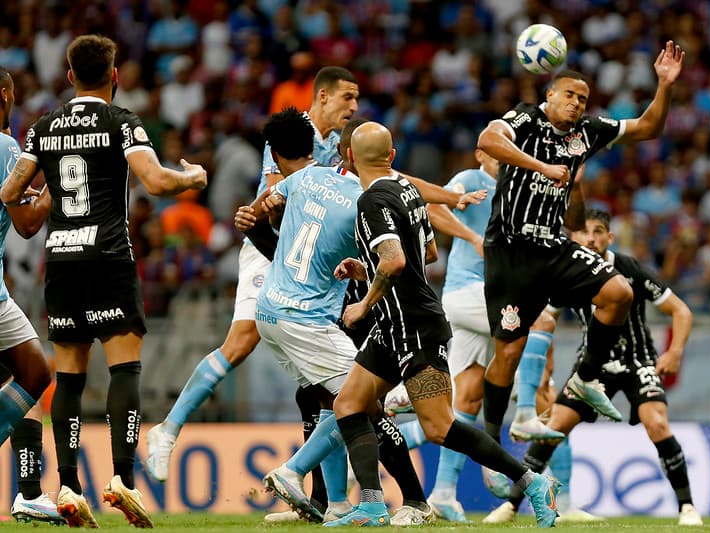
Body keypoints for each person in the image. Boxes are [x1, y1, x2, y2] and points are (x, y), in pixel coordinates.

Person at [146, 65, 483, 522]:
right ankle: (168, 430)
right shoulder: (291, 139)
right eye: (348, 97)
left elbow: (392, 179)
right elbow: (273, 204)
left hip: (321, 270)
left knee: (327, 394)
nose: (354, 107)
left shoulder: (346, 150)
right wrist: (263, 216)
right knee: (248, 343)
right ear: (322, 97)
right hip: (277, 256)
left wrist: (447, 196)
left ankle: (330, 501)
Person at [0, 35, 207, 528]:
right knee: (124, 371)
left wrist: (42, 189)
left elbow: (10, 191)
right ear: (114, 76)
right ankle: (122, 479)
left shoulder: (44, 127)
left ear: (69, 76)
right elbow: (156, 182)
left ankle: (68, 486)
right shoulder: (121, 122)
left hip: (63, 260)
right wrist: (192, 179)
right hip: (110, 257)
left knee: (68, 376)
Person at [325, 121, 560, 528]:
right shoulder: (409, 192)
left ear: (348, 158)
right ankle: (373, 504)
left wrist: (363, 302)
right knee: (349, 405)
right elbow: (428, 253)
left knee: (440, 427)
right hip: (393, 327)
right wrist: (366, 270)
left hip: (414, 327)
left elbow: (397, 261)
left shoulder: (370, 201)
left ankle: (532, 481)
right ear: (393, 156)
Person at [475, 42, 685, 446]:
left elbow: (648, 127)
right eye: (569, 95)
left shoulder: (587, 132)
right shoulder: (525, 117)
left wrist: (664, 85)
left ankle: (587, 377)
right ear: (549, 95)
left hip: (554, 247)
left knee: (619, 293)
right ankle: (489, 441)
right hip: (511, 251)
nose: (576, 103)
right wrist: (542, 167)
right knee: (507, 354)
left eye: (583, 98)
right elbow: (489, 139)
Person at [251, 109, 434, 526]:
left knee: (335, 403)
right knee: (360, 403)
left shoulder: (301, 179)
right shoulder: (364, 200)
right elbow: (407, 256)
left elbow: (268, 206)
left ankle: (338, 502)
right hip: (309, 318)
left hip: (269, 310)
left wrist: (258, 216)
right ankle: (294, 472)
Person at [485, 209, 703, 527]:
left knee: (656, 423)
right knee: (553, 428)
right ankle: (511, 505)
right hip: (592, 365)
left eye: (599, 231)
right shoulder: (566, 270)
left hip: (637, 361)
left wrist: (675, 351)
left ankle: (687, 508)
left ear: (610, 237)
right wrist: (545, 365)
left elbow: (681, 310)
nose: (591, 238)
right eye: (584, 232)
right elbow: (544, 321)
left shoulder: (628, 268)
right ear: (573, 237)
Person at [390, 149, 564, 523]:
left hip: (495, 300)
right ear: (481, 154)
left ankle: (441, 491)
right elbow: (432, 209)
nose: (507, 160)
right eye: (499, 152)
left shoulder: (520, 191)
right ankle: (524, 414)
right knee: (541, 321)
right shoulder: (471, 180)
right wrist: (471, 237)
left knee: (464, 400)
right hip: (467, 293)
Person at [0, 66, 63, 525]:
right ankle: (26, 493)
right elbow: (26, 224)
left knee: (28, 372)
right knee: (34, 372)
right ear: (5, 96)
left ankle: (26, 493)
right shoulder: (7, 149)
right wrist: (51, 192)